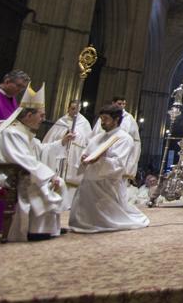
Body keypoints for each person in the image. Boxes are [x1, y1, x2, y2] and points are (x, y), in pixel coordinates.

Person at [0, 84, 66, 242]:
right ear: (28, 115)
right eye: (41, 115)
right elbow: (23, 159)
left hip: (17, 171)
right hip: (4, 174)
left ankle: (44, 228)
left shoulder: (22, 131)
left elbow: (40, 149)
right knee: (44, 183)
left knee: (55, 181)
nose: (43, 119)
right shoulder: (13, 132)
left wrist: (62, 142)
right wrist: (48, 175)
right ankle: (32, 230)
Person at [69, 104, 150, 233]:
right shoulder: (97, 138)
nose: (102, 122)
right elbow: (87, 153)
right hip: (89, 181)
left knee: (106, 219)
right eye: (101, 119)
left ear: (116, 119)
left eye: (105, 119)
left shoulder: (124, 138)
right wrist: (84, 158)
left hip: (107, 184)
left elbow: (118, 164)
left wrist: (100, 159)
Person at [44, 100, 92, 212]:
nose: (75, 111)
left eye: (77, 109)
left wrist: (77, 137)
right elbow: (52, 138)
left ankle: (70, 202)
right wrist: (64, 134)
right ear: (68, 108)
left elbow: (88, 140)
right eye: (73, 108)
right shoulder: (62, 121)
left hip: (74, 156)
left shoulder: (84, 123)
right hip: (61, 154)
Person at [91, 96, 141, 180]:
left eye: (124, 104)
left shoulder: (129, 119)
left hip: (118, 150)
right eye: (119, 103)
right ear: (113, 103)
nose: (122, 106)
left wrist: (132, 163)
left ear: (116, 120)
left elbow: (135, 140)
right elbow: (94, 135)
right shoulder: (102, 124)